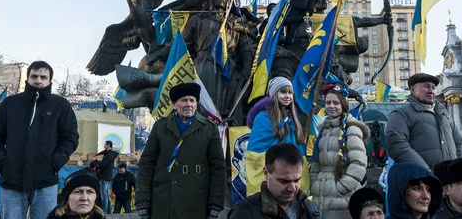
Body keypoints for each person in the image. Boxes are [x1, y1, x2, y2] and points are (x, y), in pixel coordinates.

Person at [0, 60, 79, 219]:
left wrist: (56, 161)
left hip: (45, 181)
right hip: (12, 180)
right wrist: (2, 161)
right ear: (27, 79)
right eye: (34, 76)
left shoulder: (60, 105)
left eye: (43, 77)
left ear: (50, 80)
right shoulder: (11, 103)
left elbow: (70, 137)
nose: (38, 80)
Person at [135, 82, 226, 219]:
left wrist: (215, 202)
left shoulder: (209, 128)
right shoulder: (160, 127)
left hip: (196, 202)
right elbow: (146, 163)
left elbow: (218, 167)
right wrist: (142, 198)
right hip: (163, 201)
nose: (189, 104)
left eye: (192, 100)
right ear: (174, 104)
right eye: (184, 100)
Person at [310, 85, 370, 219]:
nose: (331, 106)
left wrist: (341, 188)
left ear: (344, 104)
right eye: (328, 102)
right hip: (320, 194)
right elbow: (316, 161)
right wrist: (314, 182)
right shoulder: (323, 129)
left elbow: (358, 163)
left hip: (342, 198)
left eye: (336, 103)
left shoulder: (352, 129)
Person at [386, 73, 462, 170]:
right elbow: (397, 145)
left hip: (451, 180)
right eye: (426, 86)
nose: (431, 91)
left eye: (433, 87)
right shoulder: (401, 114)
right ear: (413, 90)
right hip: (424, 182)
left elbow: (459, 142)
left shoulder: (445, 115)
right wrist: (426, 173)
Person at [246, 76, 308, 196]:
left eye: (290, 93)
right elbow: (256, 156)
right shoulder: (262, 118)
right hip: (275, 175)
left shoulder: (292, 119)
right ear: (274, 94)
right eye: (283, 92)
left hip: (292, 174)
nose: (287, 96)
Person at [228, 143, 322, 219]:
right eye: (284, 181)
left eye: (297, 180)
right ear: (266, 173)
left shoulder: (310, 209)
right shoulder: (244, 213)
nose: (292, 188)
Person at [95, 140, 119, 213]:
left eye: (105, 144)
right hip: (108, 175)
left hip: (105, 175)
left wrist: (96, 162)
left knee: (104, 193)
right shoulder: (110, 154)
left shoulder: (109, 154)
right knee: (106, 192)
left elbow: (103, 164)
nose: (104, 145)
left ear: (108, 145)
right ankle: (108, 209)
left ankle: (105, 209)